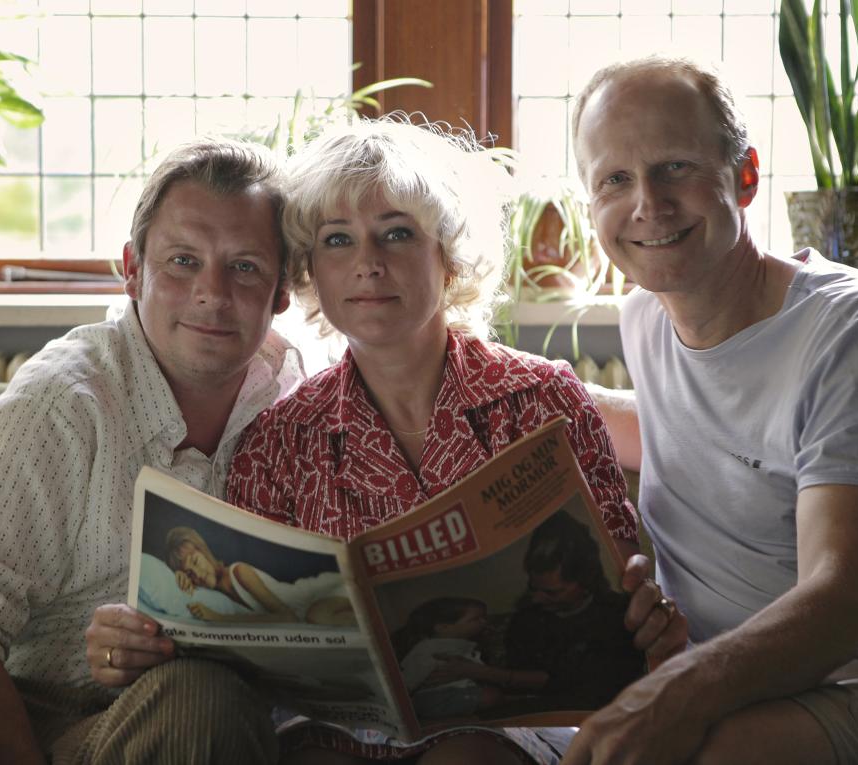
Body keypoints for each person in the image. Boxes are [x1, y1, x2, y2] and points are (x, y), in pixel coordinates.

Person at [224, 115, 687, 765]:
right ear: (310, 272)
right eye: (337, 239)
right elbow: (256, 640)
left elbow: (613, 584)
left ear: (448, 256)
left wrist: (639, 605)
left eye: (397, 233)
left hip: (508, 721)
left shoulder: (544, 401)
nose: (368, 263)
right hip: (338, 730)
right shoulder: (275, 442)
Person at [566, 55, 858, 765]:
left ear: (744, 176)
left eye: (675, 167)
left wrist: (671, 693)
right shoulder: (645, 320)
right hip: (740, 685)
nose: (648, 203)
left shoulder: (856, 332)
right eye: (614, 179)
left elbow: (836, 605)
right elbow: (689, 428)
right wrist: (510, 384)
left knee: (708, 751)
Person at [0, 138, 305, 765]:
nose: (212, 294)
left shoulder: (300, 397)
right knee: (200, 700)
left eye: (245, 267)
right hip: (45, 726)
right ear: (133, 269)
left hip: (247, 724)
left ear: (282, 291)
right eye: (183, 261)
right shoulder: (57, 408)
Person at [504, 510, 644, 711]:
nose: (536, 598)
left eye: (552, 592)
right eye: (533, 588)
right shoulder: (524, 621)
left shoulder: (619, 615)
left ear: (586, 582)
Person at [164, 526, 356, 625]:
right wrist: (179, 577)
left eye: (196, 562)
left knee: (317, 617)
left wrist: (218, 618)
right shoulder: (216, 592)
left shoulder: (239, 572)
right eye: (190, 574)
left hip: (320, 592)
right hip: (312, 607)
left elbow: (288, 618)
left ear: (204, 552)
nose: (198, 575)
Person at [393, 596, 503, 720]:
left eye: (484, 618)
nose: (484, 622)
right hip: (436, 696)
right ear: (443, 627)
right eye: (476, 619)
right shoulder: (429, 647)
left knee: (493, 694)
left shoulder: (466, 643)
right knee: (491, 696)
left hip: (460, 690)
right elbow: (408, 678)